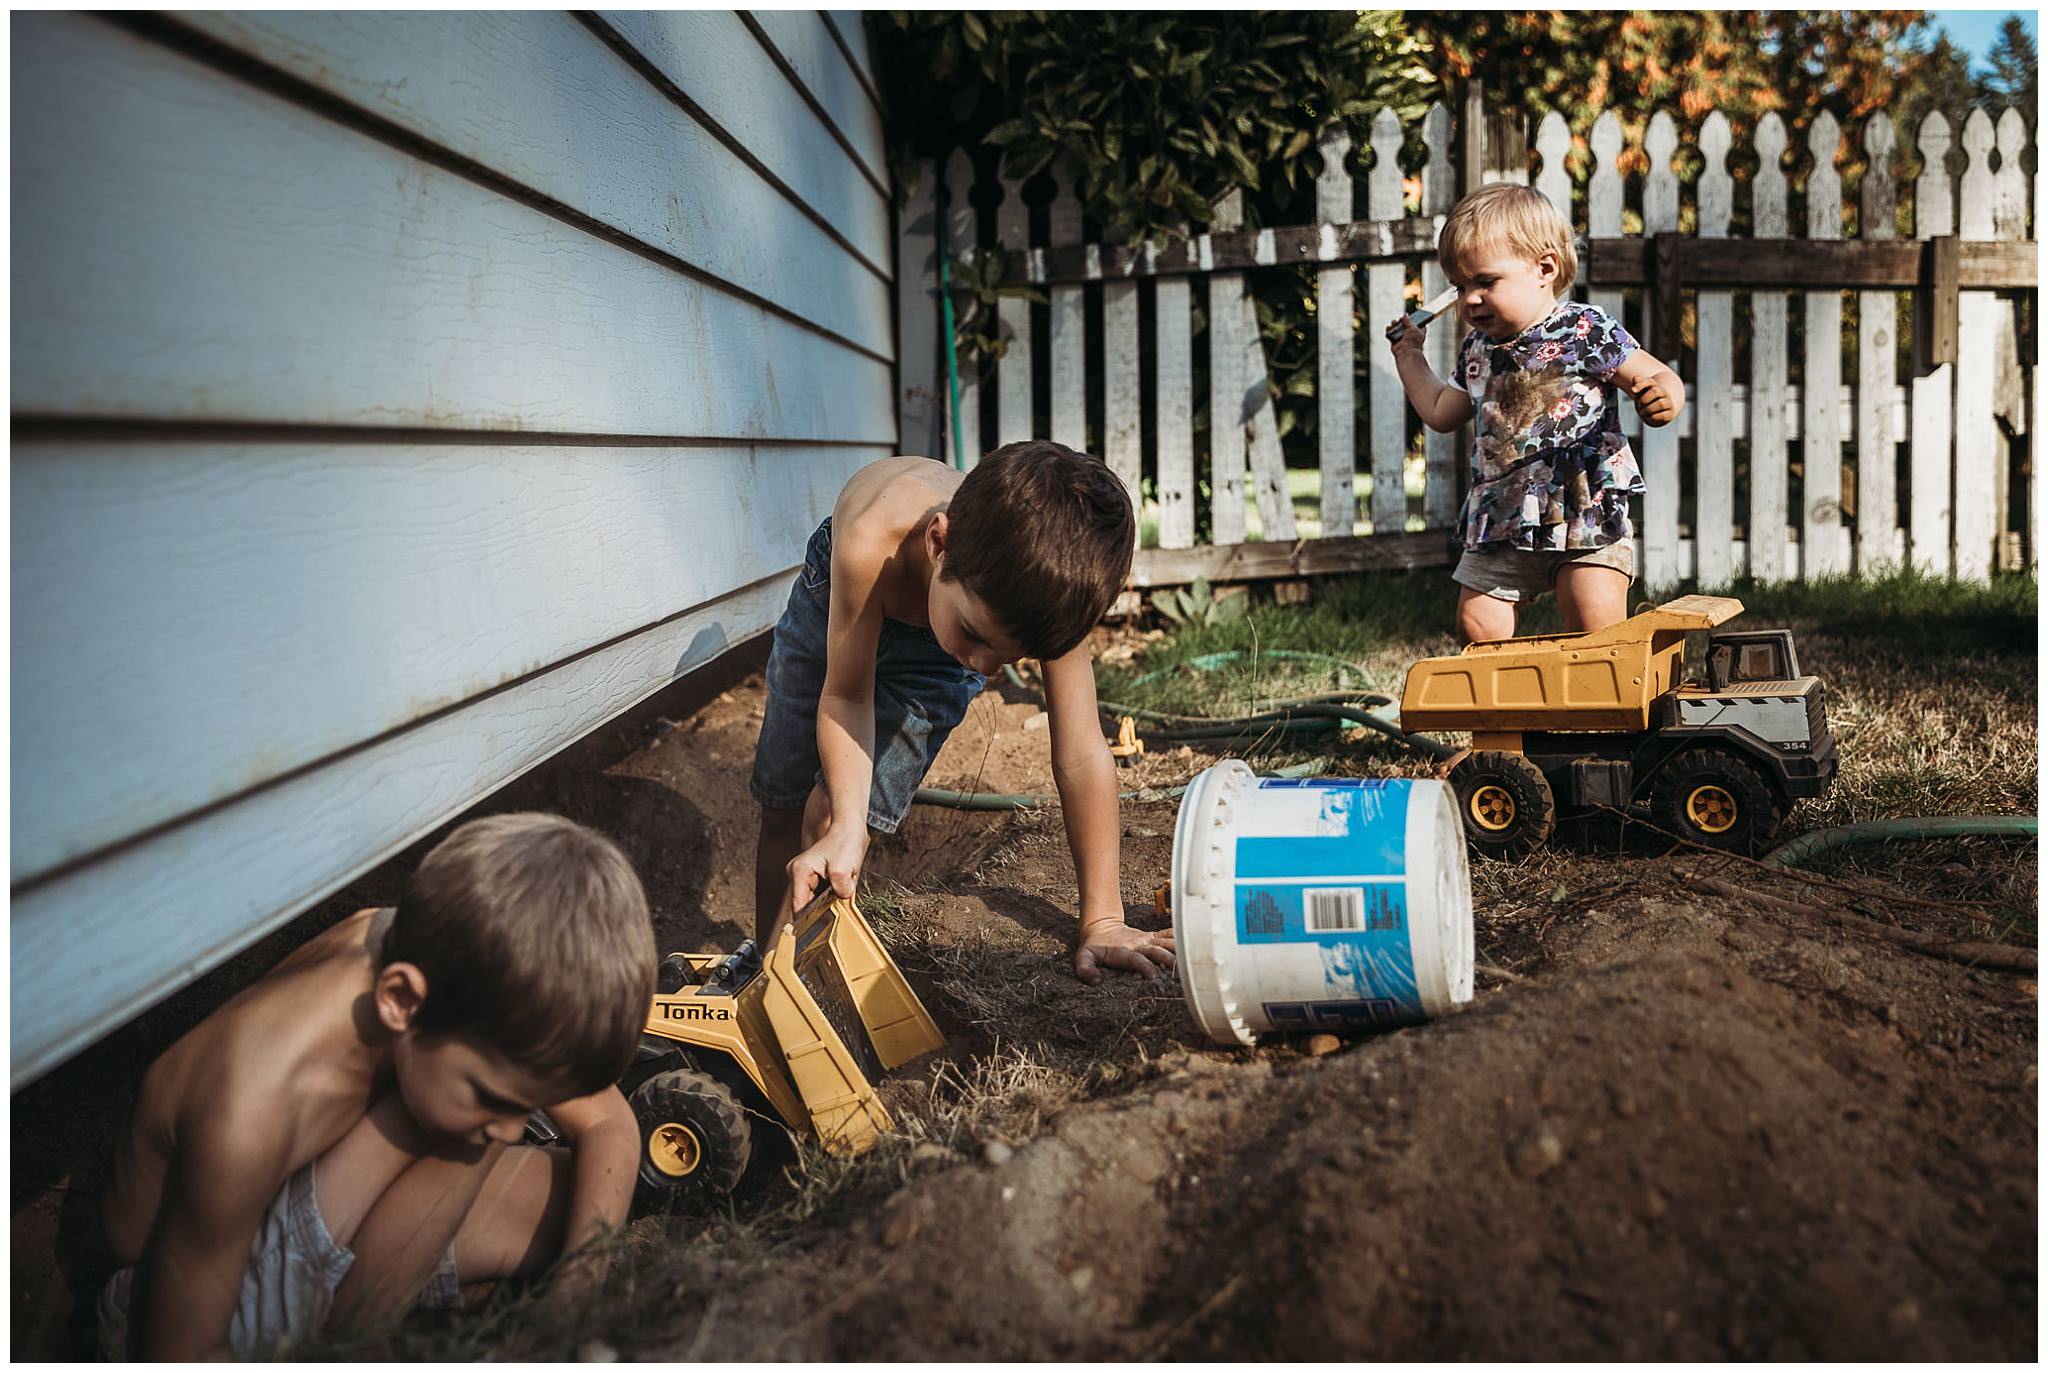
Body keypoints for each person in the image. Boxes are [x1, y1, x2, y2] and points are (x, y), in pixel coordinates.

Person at [97, 812, 657, 1359]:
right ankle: (356, 1343)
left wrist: (575, 1293)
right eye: (495, 1097)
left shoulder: (454, 954)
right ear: (400, 999)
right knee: (474, 1139)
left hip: (307, 1207)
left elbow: (611, 1125)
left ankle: (380, 1297)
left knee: (576, 1201)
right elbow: (179, 1350)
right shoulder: (251, 1110)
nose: (514, 1128)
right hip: (175, 1297)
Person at [750, 441, 1171, 986]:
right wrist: (850, 825)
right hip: (839, 596)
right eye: (977, 637)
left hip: (934, 653)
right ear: (938, 542)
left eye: (1011, 656)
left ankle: (797, 994)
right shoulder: (871, 538)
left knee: (830, 818)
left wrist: (1105, 919)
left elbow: (1081, 752)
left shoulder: (1048, 593)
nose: (986, 669)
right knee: (783, 803)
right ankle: (761, 975)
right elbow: (847, 695)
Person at [1387, 182, 1686, 643]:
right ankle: (1515, 714)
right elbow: (1442, 412)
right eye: (1461, 286)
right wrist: (1409, 356)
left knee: (1593, 618)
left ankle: (1608, 710)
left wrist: (1661, 398)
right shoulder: (1478, 349)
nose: (1469, 300)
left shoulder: (1584, 329)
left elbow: (1660, 377)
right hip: (1503, 512)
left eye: (1485, 282)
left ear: (1544, 268)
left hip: (1582, 504)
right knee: (1478, 623)